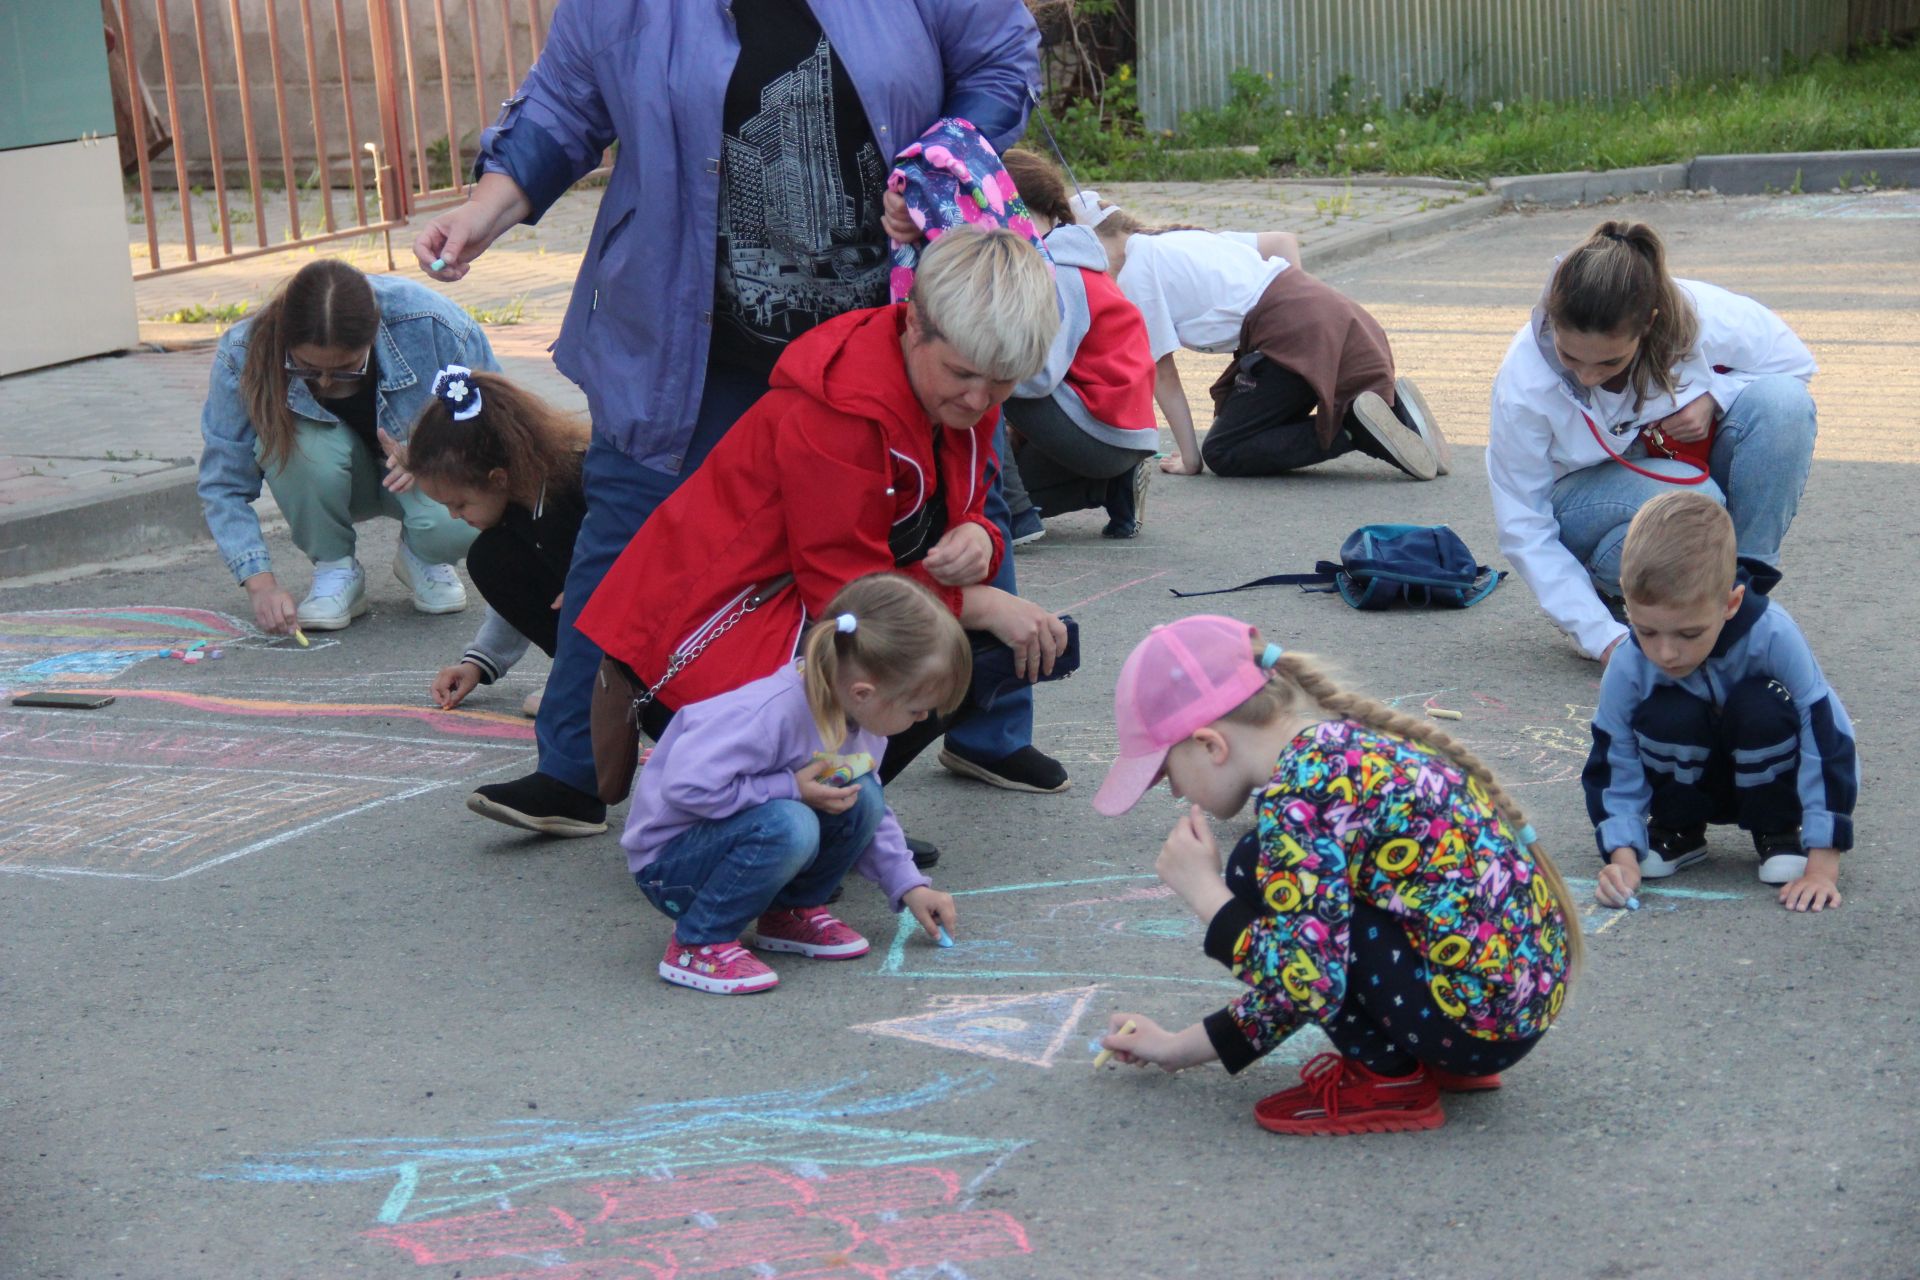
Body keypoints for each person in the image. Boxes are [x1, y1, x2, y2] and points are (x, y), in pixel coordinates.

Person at [412, 0, 1042, 834]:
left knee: (958, 504)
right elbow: (562, 105)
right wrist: (483, 212)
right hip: (691, 324)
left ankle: (984, 723)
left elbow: (1001, 61)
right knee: (631, 519)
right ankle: (573, 768)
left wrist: (939, 162)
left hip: (894, 313)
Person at [562, 228, 1070, 831]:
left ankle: (837, 801)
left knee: (989, 647)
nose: (980, 399)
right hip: (712, 636)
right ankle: (809, 805)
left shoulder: (959, 379)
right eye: (964, 374)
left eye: (1003, 381)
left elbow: (959, 499)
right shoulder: (838, 411)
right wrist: (978, 601)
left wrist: (981, 535)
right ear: (915, 325)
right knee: (954, 648)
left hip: (782, 616)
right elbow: (844, 597)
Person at [1090, 615, 1580, 1135]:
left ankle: (1389, 1079)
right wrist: (1179, 1048)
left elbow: (1310, 981)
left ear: (1211, 745)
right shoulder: (1336, 748)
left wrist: (1209, 897)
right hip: (1508, 1011)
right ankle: (1414, 1052)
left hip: (1474, 1028)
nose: (1172, 793)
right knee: (1275, 880)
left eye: (1166, 772)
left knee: (1252, 873)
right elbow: (1315, 951)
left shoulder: (1298, 798)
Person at [1487, 219, 1818, 664]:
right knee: (1694, 502)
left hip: (1669, 477)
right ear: (1551, 318)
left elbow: (1793, 364)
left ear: (1649, 324)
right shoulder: (1524, 377)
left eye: (1608, 362)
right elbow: (1523, 523)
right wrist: (1604, 639)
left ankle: (1741, 597)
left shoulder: (1699, 313)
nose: (1585, 375)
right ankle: (1611, 588)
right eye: (1568, 356)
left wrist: (1715, 398)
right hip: (1582, 510)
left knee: (1783, 404)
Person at [628, 573, 966, 995]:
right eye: (917, 710)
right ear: (864, 692)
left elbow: (871, 814)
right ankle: (698, 941)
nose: (922, 720)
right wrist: (790, 788)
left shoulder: (862, 720)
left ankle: (790, 913)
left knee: (863, 795)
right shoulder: (766, 715)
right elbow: (685, 787)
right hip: (670, 867)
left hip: (732, 841)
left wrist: (909, 884)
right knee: (790, 823)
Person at [1585, 493, 1855, 913]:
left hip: (1766, 775)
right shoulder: (1629, 661)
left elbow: (1826, 737)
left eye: (1689, 634)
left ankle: (1779, 831)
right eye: (1647, 631)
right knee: (1665, 710)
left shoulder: (1774, 635)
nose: (1666, 653)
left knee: (1762, 705)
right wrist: (1621, 857)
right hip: (1684, 781)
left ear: (1731, 603)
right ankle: (1677, 830)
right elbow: (1612, 753)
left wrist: (1823, 864)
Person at [198, 259, 489, 633]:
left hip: (420, 480)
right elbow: (223, 483)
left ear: (373, 336)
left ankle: (423, 556)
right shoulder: (243, 351)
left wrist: (434, 454)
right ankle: (336, 567)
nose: (323, 382)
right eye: (305, 368)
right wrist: (260, 584)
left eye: (345, 369)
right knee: (291, 438)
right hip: (330, 477)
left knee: (466, 515)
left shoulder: (431, 325)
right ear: (285, 339)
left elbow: (492, 429)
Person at [1087, 203, 1447, 482]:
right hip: (1330, 315)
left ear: (1096, 241)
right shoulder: (1171, 237)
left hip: (1294, 335)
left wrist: (1192, 459)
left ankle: (1354, 427)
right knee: (1246, 416)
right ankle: (1398, 414)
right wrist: (1302, 312)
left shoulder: (1134, 276)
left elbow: (1163, 376)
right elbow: (1282, 241)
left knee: (1225, 450)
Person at [404, 365, 588, 732]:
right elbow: (521, 588)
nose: (455, 516)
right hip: (601, 620)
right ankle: (583, 670)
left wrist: (602, 580)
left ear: (498, 478)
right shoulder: (517, 506)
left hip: (652, 617)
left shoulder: (580, 487)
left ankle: (596, 679)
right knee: (490, 558)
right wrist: (478, 662)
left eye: (460, 504)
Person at [993, 148, 1157, 543]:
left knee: (980, 375)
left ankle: (1016, 518)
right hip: (1118, 435)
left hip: (1103, 431)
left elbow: (1040, 376)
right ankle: (1110, 488)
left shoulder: (1056, 269)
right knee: (984, 498)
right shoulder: (1068, 257)